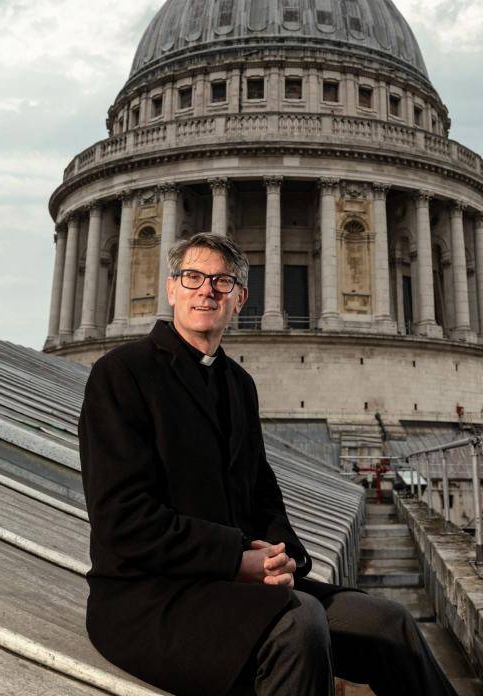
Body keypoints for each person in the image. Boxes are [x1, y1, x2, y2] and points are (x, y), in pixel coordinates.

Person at [78, 232, 455, 695]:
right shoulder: (122, 373)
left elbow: (262, 493)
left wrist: (282, 558)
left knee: (387, 622)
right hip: (151, 598)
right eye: (192, 277)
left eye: (221, 281)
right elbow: (123, 520)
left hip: (238, 588)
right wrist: (237, 559)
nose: (207, 290)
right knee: (297, 624)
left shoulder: (238, 383)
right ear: (171, 288)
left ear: (240, 298)